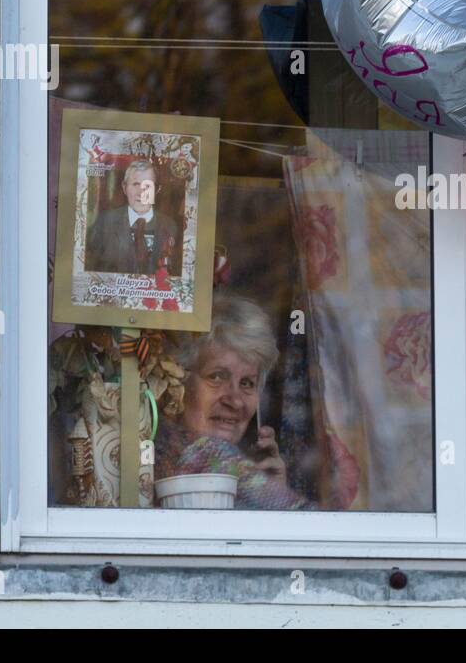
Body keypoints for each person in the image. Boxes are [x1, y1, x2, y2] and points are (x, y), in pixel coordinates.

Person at [155, 294, 308, 510]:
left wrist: (268, 488)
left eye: (247, 383)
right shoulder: (206, 452)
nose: (235, 401)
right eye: (216, 377)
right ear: (177, 381)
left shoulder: (167, 454)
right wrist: (277, 507)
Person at [85, 159, 179, 275]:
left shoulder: (171, 226)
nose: (141, 193)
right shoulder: (104, 223)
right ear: (124, 188)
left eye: (147, 185)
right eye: (135, 184)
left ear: (157, 190)